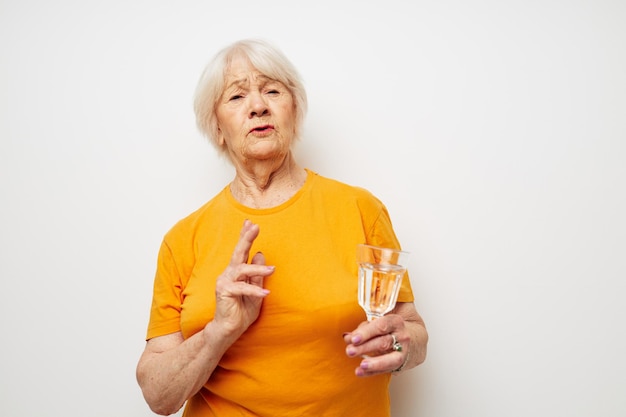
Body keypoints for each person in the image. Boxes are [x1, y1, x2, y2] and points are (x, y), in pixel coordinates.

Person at [136, 38, 428, 417]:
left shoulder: (360, 209)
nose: (258, 106)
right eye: (237, 97)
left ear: (295, 112)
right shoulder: (182, 240)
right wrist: (219, 331)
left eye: (272, 90)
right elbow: (159, 397)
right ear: (217, 127)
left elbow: (413, 333)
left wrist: (400, 346)